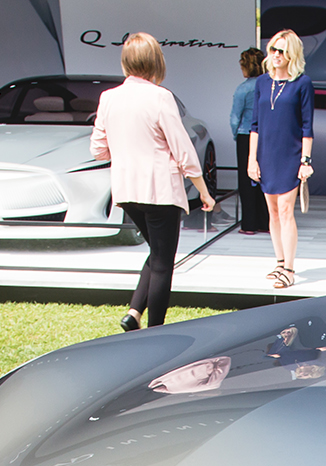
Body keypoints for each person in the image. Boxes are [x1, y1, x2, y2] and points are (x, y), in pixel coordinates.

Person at [91, 32, 216, 331]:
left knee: (157, 253)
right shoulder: (161, 97)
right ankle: (155, 331)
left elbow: (97, 150)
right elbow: (183, 148)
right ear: (156, 62)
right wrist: (204, 192)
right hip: (159, 190)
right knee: (163, 262)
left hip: (127, 191)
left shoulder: (108, 98)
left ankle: (134, 313)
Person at [248, 29, 313, 289]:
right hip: (266, 153)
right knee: (272, 211)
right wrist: (252, 159)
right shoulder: (262, 83)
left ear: (292, 54)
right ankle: (279, 261)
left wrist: (305, 161)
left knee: (286, 211)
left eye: (282, 50)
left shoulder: (302, 83)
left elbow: (307, 127)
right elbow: (254, 125)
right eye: (273, 49)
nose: (276, 54)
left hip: (290, 154)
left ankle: (289, 268)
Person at [230, 47, 268, 234]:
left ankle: (249, 225)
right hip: (266, 136)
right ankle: (266, 222)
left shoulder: (243, 89)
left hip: (246, 136)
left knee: (247, 181)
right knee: (265, 179)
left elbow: (234, 118)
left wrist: (236, 135)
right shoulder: (268, 85)